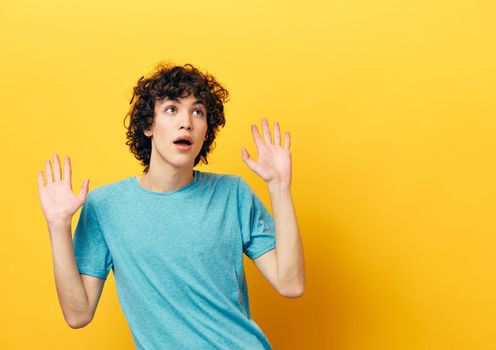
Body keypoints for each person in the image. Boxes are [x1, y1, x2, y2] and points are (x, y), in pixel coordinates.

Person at [37, 63, 305, 349]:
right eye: (171, 109)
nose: (186, 122)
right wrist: (58, 226)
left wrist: (279, 188)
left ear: (205, 131)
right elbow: (78, 314)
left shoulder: (233, 193)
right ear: (148, 126)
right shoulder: (105, 207)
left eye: (197, 112)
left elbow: (291, 284)